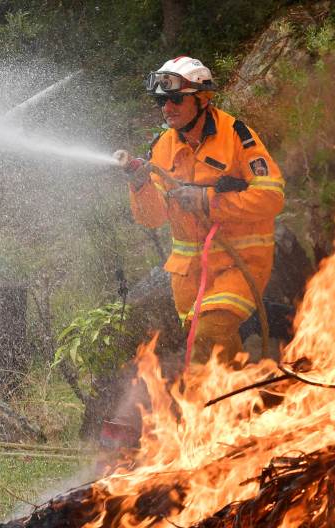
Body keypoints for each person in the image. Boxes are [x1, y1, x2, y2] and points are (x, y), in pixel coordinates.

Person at [115, 56, 285, 369]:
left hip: (239, 265)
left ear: (203, 98)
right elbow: (153, 218)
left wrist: (210, 202)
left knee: (207, 339)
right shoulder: (162, 148)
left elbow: (271, 198)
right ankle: (245, 395)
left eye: (176, 100)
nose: (167, 108)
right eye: (162, 101)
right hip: (189, 279)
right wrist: (140, 186)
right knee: (216, 360)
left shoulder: (237, 137)